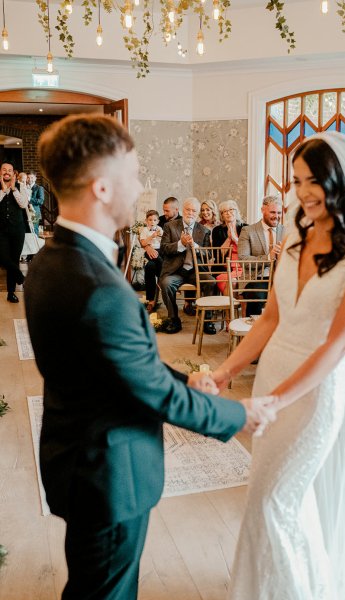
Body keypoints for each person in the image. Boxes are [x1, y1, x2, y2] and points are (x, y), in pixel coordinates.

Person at [23, 114, 271, 600]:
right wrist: (238, 413)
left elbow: (122, 367)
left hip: (78, 458)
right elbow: (146, 389)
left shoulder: (52, 260)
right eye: (133, 175)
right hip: (108, 473)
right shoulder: (97, 285)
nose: (139, 188)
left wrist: (187, 378)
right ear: (101, 187)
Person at [213, 131, 345, 599]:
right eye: (296, 181)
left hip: (314, 395)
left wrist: (277, 402)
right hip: (275, 375)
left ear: (338, 180)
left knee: (275, 501)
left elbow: (337, 346)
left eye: (313, 180)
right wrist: (226, 373)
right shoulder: (294, 238)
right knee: (275, 500)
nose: (302, 192)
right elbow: (270, 320)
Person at [159, 197, 217, 334]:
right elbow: (163, 249)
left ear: (197, 214)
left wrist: (195, 246)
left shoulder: (203, 231)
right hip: (175, 271)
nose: (190, 213)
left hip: (195, 271)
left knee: (211, 282)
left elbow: (208, 255)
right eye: (188, 209)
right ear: (182, 210)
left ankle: (207, 321)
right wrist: (181, 244)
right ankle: (174, 319)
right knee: (166, 283)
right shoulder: (170, 226)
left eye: (194, 210)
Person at [238, 194, 284, 314]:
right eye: (273, 212)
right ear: (262, 210)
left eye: (279, 213)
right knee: (256, 295)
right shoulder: (248, 231)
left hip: (282, 279)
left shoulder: (286, 231)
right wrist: (269, 257)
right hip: (256, 278)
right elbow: (243, 260)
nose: (276, 216)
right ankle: (253, 330)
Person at [0, 161, 30, 302]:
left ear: (13, 173)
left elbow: (23, 204)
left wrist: (13, 189)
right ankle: (21, 278)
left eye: (9, 170)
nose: (7, 172)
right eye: (4, 170)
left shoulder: (20, 186)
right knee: (3, 258)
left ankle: (11, 293)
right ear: (0, 172)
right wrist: (3, 190)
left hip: (17, 230)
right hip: (1, 230)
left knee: (14, 260)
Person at [211, 199, 246, 294]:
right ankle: (230, 308)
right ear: (221, 215)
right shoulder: (217, 230)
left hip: (244, 267)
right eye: (224, 211)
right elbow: (217, 254)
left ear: (236, 211)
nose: (228, 213)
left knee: (236, 282)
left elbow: (248, 250)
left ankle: (230, 308)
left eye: (231, 209)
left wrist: (235, 239)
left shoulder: (246, 228)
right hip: (224, 268)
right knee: (232, 283)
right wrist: (229, 239)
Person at [139, 209, 163, 313]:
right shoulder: (144, 230)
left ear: (157, 221)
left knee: (150, 266)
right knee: (157, 258)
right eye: (150, 220)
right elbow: (143, 243)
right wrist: (151, 236)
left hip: (160, 250)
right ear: (146, 221)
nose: (152, 222)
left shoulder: (159, 229)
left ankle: (151, 300)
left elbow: (164, 240)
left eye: (154, 220)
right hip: (149, 251)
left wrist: (160, 234)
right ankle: (163, 275)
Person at [26, 171, 45, 236]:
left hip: (35, 213)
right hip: (25, 212)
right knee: (27, 231)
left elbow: (41, 201)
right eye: (28, 177)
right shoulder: (24, 187)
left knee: (34, 229)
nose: (30, 179)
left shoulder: (39, 188)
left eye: (32, 177)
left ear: (35, 178)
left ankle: (36, 246)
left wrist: (29, 199)